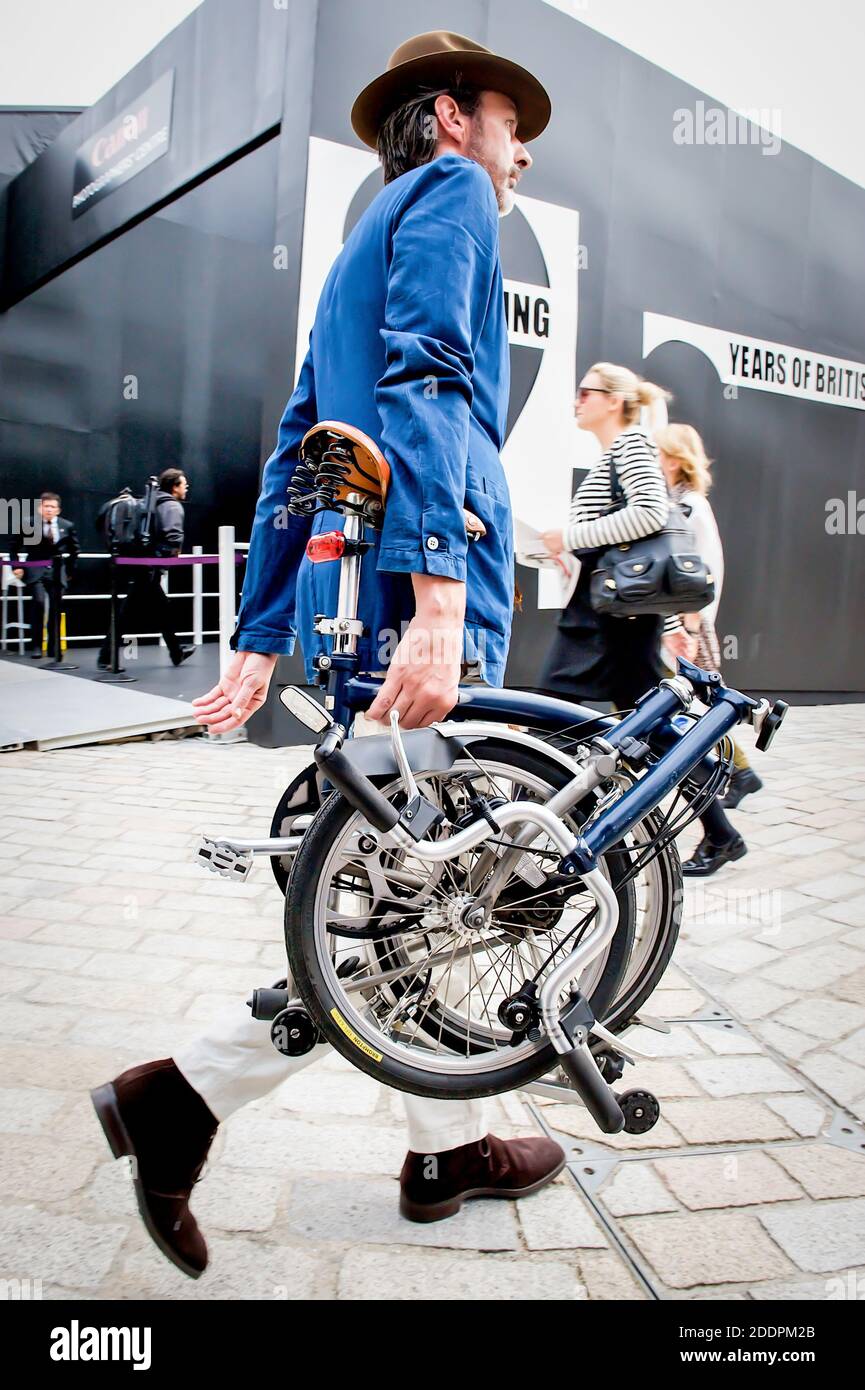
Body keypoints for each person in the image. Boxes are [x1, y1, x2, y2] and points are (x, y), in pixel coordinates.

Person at [91, 31, 565, 1280]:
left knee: (399, 879)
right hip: (414, 586)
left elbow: (305, 437)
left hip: (353, 597)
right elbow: (428, 380)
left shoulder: (362, 236)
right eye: (513, 121)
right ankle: (178, 1100)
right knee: (396, 905)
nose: (523, 149)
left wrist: (257, 637)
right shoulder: (459, 196)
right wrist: (442, 593)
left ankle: (437, 1150)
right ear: (456, 117)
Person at [538, 362, 678, 710]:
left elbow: (650, 512)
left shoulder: (631, 443)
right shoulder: (616, 453)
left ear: (613, 401)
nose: (576, 402)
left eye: (585, 393)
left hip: (614, 618)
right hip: (608, 612)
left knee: (558, 709)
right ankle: (727, 764)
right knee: (647, 717)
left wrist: (569, 537)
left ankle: (730, 766)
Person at [655, 423, 757, 873]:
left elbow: (699, 571)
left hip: (688, 629)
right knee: (693, 723)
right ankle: (739, 780)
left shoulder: (690, 506)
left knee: (691, 726)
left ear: (675, 459)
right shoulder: (683, 502)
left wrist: (691, 629)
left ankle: (728, 807)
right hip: (685, 627)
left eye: (657, 453)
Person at [97, 467, 194, 669]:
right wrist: (173, 552)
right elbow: (173, 534)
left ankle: (176, 651)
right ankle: (105, 657)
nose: (187, 487)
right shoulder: (171, 505)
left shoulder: (148, 502)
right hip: (151, 565)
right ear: (175, 487)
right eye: (184, 484)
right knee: (126, 613)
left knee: (161, 607)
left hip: (141, 562)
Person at [12, 491, 79, 658]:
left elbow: (74, 550)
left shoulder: (67, 525)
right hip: (35, 569)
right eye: (46, 506)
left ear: (58, 510)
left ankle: (53, 647)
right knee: (39, 604)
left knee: (56, 609)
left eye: (52, 507)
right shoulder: (28, 524)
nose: (49, 509)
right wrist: (16, 566)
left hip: (57, 571)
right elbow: (14, 546)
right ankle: (36, 645)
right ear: (40, 508)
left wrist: (69, 571)